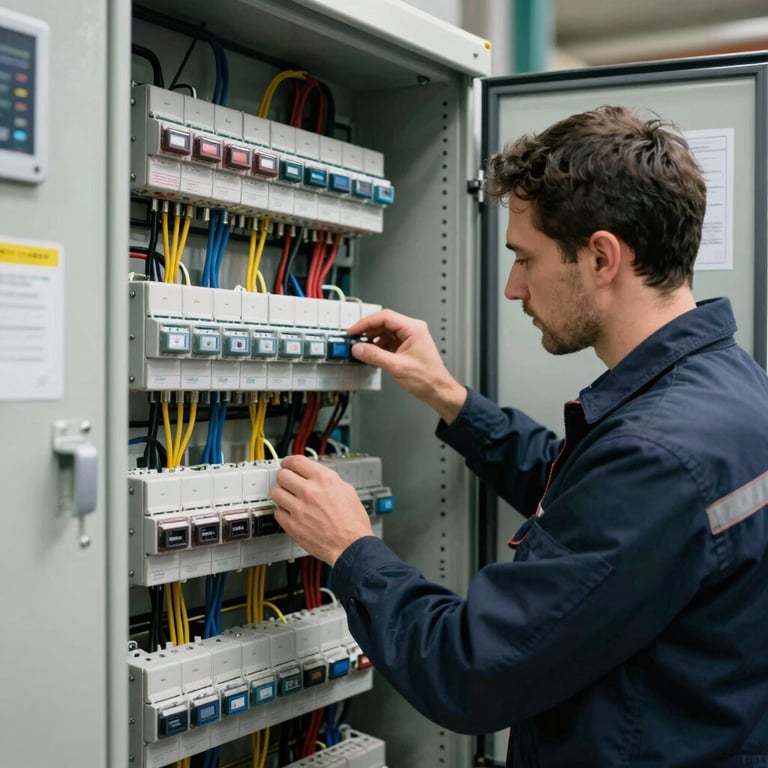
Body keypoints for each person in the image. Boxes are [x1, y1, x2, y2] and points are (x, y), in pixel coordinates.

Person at [271, 106, 768, 767]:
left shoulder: (656, 455)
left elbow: (471, 670)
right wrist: (451, 400)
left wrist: (352, 549)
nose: (512, 287)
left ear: (600, 257)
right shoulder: (728, 389)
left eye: (524, 258)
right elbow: (595, 514)